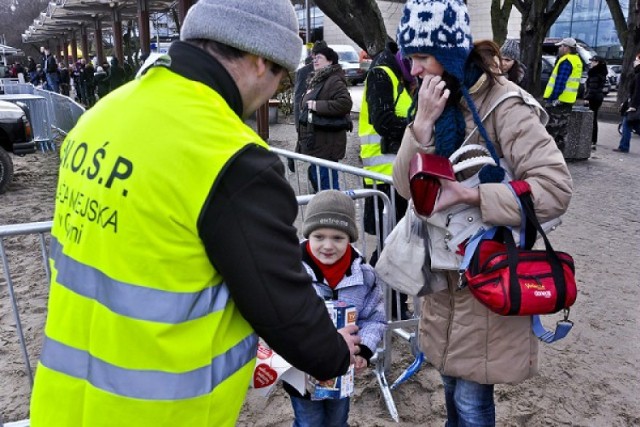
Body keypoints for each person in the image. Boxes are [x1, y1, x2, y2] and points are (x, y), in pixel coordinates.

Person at [29, 0, 361, 425]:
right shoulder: (231, 157)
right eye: (279, 76)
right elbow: (283, 308)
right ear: (260, 61)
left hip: (62, 404)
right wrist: (335, 352)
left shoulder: (103, 115)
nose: (271, 94)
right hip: (158, 412)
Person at [394, 0, 573, 425]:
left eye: (421, 57)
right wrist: (420, 128)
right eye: (410, 57)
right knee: (453, 389)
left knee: (473, 398)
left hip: (489, 270)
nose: (413, 69)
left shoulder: (505, 106)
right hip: (444, 273)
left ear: (451, 54)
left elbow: (555, 189)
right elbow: (405, 187)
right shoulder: (434, 103)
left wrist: (473, 197)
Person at [284, 190, 386, 427]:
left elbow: (375, 318)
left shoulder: (364, 275)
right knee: (308, 422)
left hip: (343, 371)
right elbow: (281, 320)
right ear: (308, 234)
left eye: (338, 238)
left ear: (349, 238)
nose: (327, 246)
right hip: (303, 373)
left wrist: (364, 350)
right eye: (319, 236)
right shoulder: (290, 272)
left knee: (338, 420)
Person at [358, 40, 414, 320]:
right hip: (385, 177)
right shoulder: (384, 74)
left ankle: (381, 299)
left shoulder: (398, 76)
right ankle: (383, 302)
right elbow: (384, 121)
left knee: (394, 243)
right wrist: (421, 126)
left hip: (397, 176)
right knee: (392, 243)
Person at [296, 45, 353, 192]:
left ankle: (334, 211)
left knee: (328, 185)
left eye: (319, 58)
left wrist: (316, 105)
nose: (315, 61)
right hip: (316, 141)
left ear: (330, 61)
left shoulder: (333, 80)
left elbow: (345, 103)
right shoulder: (317, 80)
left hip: (327, 142)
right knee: (319, 180)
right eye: (314, 58)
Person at [542, 37, 583, 153]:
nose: (559, 48)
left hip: (558, 101)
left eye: (561, 46)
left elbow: (560, 82)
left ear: (567, 48)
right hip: (568, 101)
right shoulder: (577, 61)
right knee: (561, 132)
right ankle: (559, 158)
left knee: (550, 131)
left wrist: (552, 99)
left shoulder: (566, 61)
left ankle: (547, 157)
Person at [615, 52, 640, 153]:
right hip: (634, 104)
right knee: (630, 124)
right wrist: (626, 103)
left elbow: (637, 92)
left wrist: (633, 106)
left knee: (627, 124)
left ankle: (624, 146)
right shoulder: (637, 74)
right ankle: (623, 146)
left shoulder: (638, 75)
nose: (634, 61)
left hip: (636, 105)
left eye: (637, 60)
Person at [583, 55, 608, 150]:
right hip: (598, 97)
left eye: (593, 61)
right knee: (594, 118)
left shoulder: (594, 73)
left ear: (598, 63)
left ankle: (591, 139)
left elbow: (592, 88)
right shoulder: (601, 73)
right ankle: (593, 140)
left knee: (590, 118)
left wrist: (587, 98)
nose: (591, 63)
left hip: (593, 98)